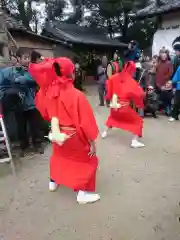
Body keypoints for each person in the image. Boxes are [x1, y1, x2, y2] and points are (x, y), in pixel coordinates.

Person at [29, 57, 100, 204]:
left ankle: (53, 182)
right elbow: (86, 123)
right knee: (88, 160)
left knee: (59, 157)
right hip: (73, 136)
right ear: (72, 74)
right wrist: (92, 142)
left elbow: (44, 111)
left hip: (56, 134)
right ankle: (82, 192)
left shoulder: (48, 92)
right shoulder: (77, 95)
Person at [0, 49, 44, 157]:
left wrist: (24, 79)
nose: (27, 60)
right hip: (18, 106)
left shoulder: (33, 70)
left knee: (35, 126)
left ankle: (37, 144)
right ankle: (24, 146)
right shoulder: (9, 72)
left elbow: (39, 80)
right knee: (21, 128)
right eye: (25, 58)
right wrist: (9, 94)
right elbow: (2, 86)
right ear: (18, 58)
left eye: (28, 57)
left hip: (33, 104)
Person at [101, 61, 145, 148]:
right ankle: (134, 141)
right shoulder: (131, 81)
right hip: (124, 107)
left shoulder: (114, 77)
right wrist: (140, 92)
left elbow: (109, 85)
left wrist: (108, 97)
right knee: (138, 121)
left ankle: (104, 132)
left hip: (114, 105)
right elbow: (139, 95)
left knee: (113, 117)